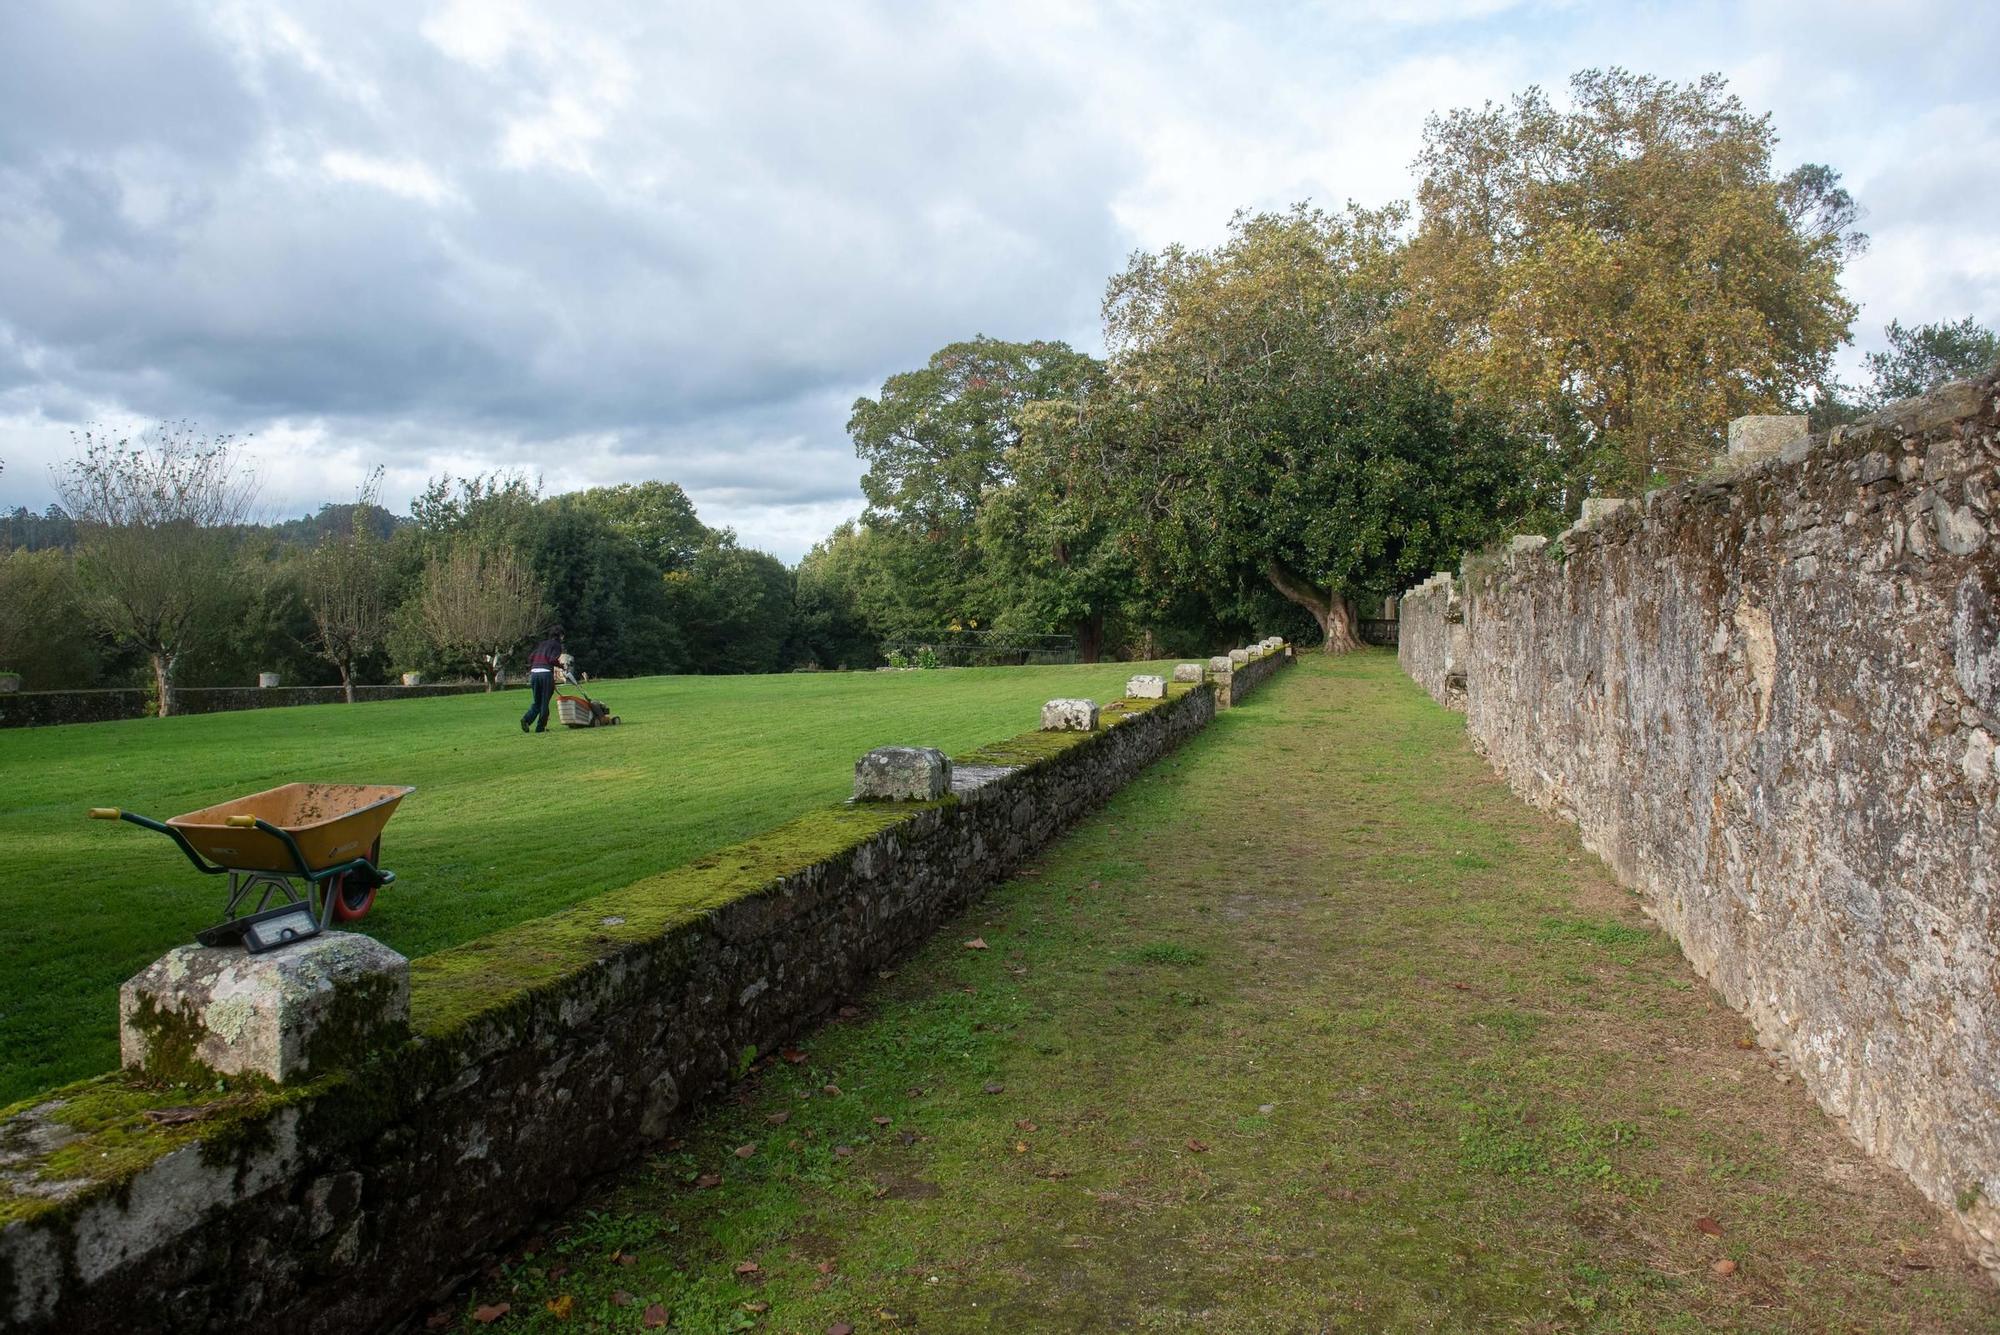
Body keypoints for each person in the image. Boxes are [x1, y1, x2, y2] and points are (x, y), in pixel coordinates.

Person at [521, 626, 565, 733]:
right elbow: (552, 659)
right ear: (560, 636)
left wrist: (537, 665)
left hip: (534, 672)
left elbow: (531, 657)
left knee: (537, 702)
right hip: (545, 674)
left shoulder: (542, 644)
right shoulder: (557, 645)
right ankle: (540, 728)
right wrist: (561, 666)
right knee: (544, 702)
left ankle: (526, 720)